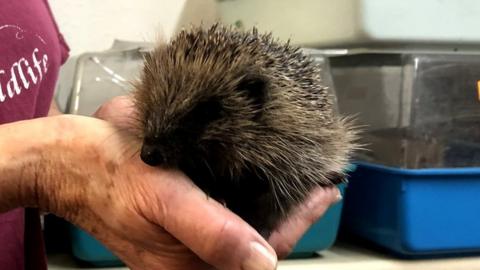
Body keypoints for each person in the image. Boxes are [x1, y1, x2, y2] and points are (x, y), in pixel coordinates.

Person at [0, 1, 341, 270]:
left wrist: (69, 146)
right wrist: (43, 170)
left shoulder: (283, 137)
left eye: (198, 118)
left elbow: (31, 101)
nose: (149, 152)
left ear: (254, 104)